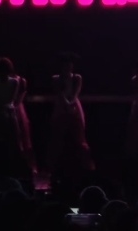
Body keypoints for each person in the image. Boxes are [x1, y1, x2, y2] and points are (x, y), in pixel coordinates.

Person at [47, 52, 94, 183]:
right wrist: (66, 104)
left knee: (80, 138)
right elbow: (60, 93)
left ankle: (88, 169)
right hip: (61, 107)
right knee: (57, 139)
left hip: (74, 107)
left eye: (69, 65)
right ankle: (53, 169)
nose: (68, 67)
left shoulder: (77, 77)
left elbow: (76, 93)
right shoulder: (56, 78)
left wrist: (71, 103)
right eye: (65, 65)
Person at [0, 57, 29, 178]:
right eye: (1, 71)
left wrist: (4, 109)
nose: (3, 74)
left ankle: (15, 167)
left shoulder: (14, 82)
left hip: (8, 111)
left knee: (14, 140)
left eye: (5, 71)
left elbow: (11, 99)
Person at [14, 69, 36, 175]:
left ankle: (28, 167)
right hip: (9, 108)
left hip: (17, 109)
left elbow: (20, 97)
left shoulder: (21, 81)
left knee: (24, 138)